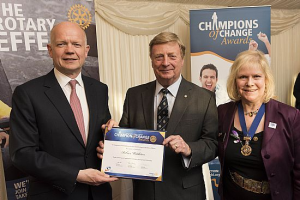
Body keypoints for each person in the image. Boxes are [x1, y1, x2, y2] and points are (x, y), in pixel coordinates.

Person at [99, 32, 218, 200]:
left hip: (186, 192)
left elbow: (212, 144)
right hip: (145, 192)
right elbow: (126, 138)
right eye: (159, 57)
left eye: (172, 56)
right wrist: (113, 137)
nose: (165, 62)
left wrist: (188, 149)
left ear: (182, 60)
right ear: (152, 61)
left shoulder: (204, 97)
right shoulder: (134, 94)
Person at [9, 21, 117, 200]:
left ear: (86, 50)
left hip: (99, 194)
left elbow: (98, 141)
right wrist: (77, 174)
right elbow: (22, 154)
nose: (70, 50)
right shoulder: (27, 93)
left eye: (76, 44)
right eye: (61, 44)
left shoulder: (100, 89)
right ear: (50, 50)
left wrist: (112, 139)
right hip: (54, 195)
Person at [217, 50, 300, 200]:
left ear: (266, 80)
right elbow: (208, 145)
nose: (250, 83)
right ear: (235, 81)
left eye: (256, 76)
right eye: (243, 77)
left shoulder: (290, 116)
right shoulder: (223, 113)